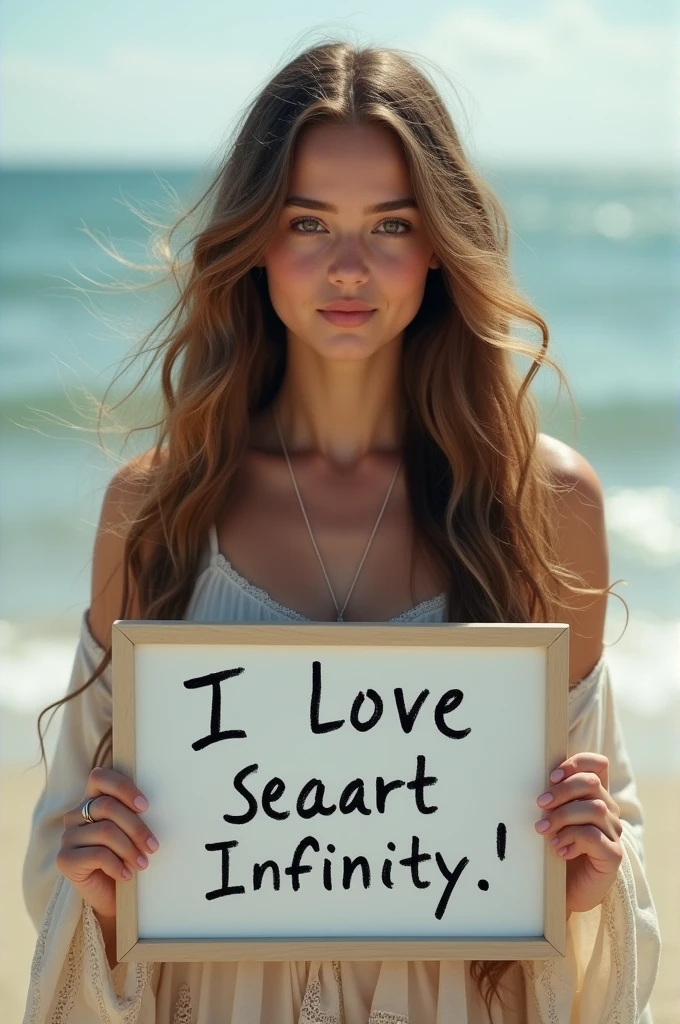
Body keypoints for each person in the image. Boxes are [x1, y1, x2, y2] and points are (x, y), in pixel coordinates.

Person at [21, 40, 660, 1024]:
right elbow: (64, 869)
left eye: (389, 224)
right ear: (255, 242)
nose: (347, 266)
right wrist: (99, 892)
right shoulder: (155, 509)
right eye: (307, 222)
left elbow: (600, 914)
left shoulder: (544, 505)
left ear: (439, 242)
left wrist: (578, 888)